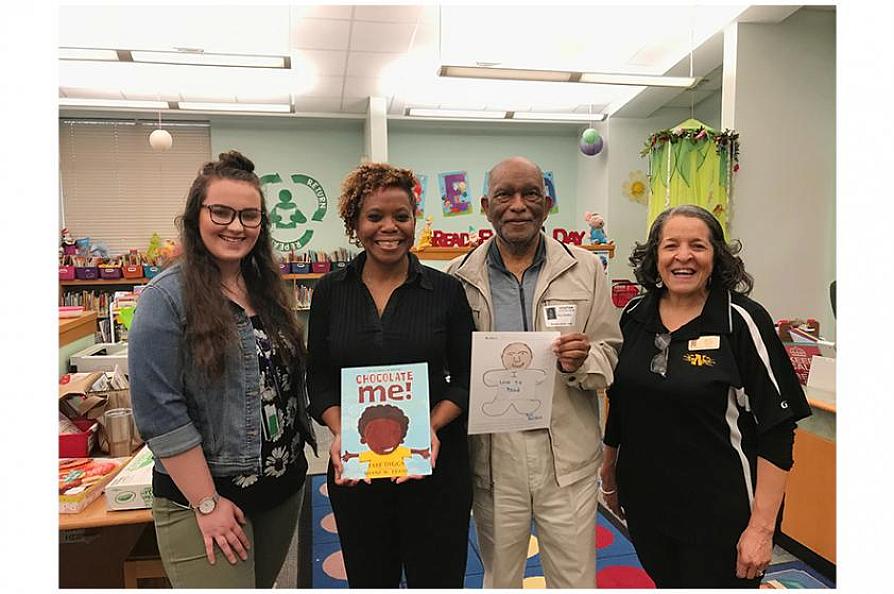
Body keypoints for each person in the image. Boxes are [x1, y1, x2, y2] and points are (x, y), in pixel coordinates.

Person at [129, 151, 316, 588]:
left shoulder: (265, 287)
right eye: (221, 212)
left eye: (249, 216)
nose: (236, 226)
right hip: (209, 501)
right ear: (197, 215)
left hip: (281, 491)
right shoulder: (166, 298)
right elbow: (160, 414)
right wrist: (207, 503)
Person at [599, 204, 812, 588]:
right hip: (648, 507)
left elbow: (778, 429)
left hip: (721, 516)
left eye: (697, 245)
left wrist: (761, 530)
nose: (683, 256)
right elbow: (622, 402)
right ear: (655, 256)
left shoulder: (742, 321)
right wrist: (609, 473)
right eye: (671, 246)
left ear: (716, 256)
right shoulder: (634, 314)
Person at [446, 156, 622, 588]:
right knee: (501, 577)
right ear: (486, 205)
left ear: (547, 203)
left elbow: (612, 350)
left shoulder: (585, 270)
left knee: (575, 579)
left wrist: (585, 361)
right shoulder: (457, 278)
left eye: (531, 194)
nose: (518, 205)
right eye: (505, 194)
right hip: (493, 455)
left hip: (566, 454)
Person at [306, 162, 474, 588]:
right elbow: (319, 379)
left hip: (434, 467)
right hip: (356, 468)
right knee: (370, 578)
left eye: (401, 216)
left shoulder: (445, 291)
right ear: (354, 223)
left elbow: (469, 377)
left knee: (437, 579)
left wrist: (430, 428)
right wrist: (343, 431)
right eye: (375, 216)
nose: (390, 227)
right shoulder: (331, 291)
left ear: (414, 220)